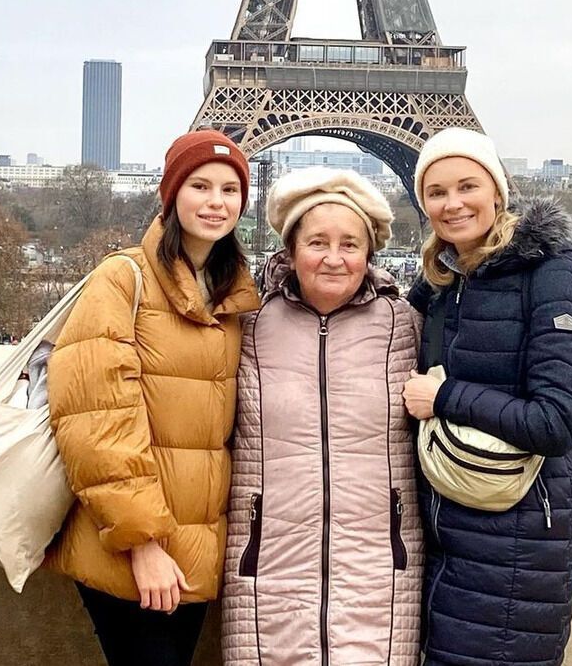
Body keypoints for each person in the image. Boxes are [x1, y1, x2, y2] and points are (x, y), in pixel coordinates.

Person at [47, 131, 263, 666]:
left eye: (230, 189)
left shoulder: (232, 293)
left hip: (195, 545)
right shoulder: (123, 279)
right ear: (171, 194)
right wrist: (142, 545)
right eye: (200, 186)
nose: (216, 202)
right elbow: (97, 423)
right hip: (130, 543)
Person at [400, 128, 572, 666]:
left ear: (497, 191)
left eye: (467, 186)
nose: (452, 203)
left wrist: (445, 397)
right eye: (436, 192)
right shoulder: (443, 279)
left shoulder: (550, 270)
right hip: (447, 531)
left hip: (519, 536)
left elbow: (557, 421)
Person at [221, 167, 425, 664]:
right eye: (317, 242)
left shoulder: (407, 326)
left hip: (380, 573)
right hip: (267, 570)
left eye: (350, 244)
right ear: (290, 252)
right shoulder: (246, 324)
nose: (334, 258)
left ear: (369, 254)